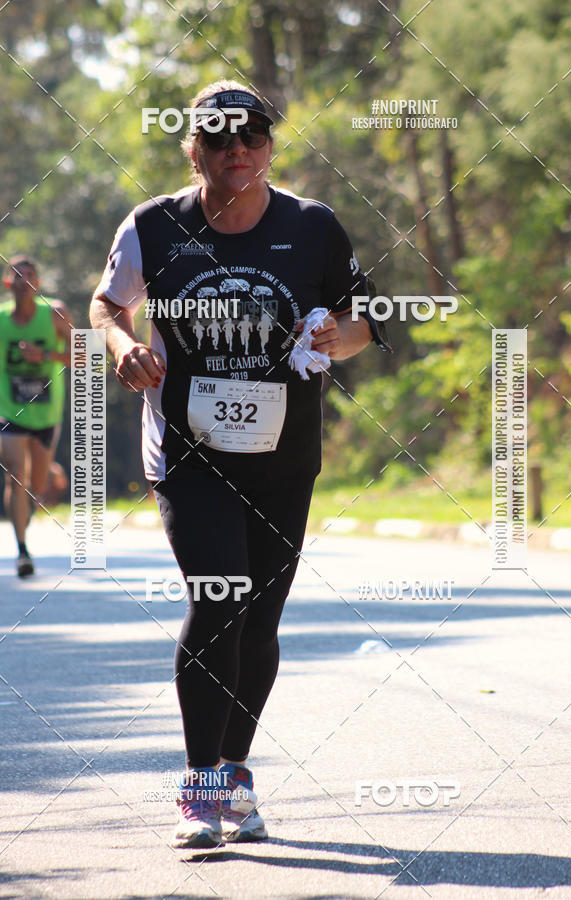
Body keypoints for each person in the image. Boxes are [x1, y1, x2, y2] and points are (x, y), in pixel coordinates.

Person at [90, 79, 389, 849]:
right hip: (189, 452)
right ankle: (199, 786)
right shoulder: (153, 226)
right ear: (192, 148)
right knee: (219, 596)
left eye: (250, 136)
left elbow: (365, 319)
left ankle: (235, 772)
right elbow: (106, 302)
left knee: (259, 623)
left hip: (285, 458)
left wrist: (337, 339)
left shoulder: (313, 226)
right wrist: (124, 346)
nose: (236, 151)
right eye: (218, 138)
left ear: (269, 145)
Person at [0, 255, 73, 576]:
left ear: (37, 284)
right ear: (7, 283)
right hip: (8, 411)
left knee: (36, 486)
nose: (23, 279)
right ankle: (22, 550)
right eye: (16, 274)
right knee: (15, 474)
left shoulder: (55, 314)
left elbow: (83, 356)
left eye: (29, 275)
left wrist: (45, 355)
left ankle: (46, 474)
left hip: (46, 413)